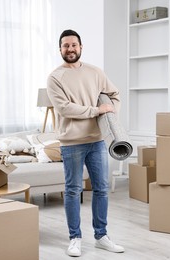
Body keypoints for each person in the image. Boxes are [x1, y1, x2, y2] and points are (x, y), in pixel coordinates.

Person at [47, 29, 125, 257]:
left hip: (98, 141)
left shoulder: (95, 72)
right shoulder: (55, 77)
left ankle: (101, 236)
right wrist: (96, 110)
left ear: (81, 47)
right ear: (60, 49)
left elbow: (115, 95)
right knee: (73, 190)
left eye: (74, 45)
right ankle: (75, 238)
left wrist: (109, 115)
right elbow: (64, 108)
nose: (70, 49)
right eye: (65, 46)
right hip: (71, 143)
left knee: (101, 189)